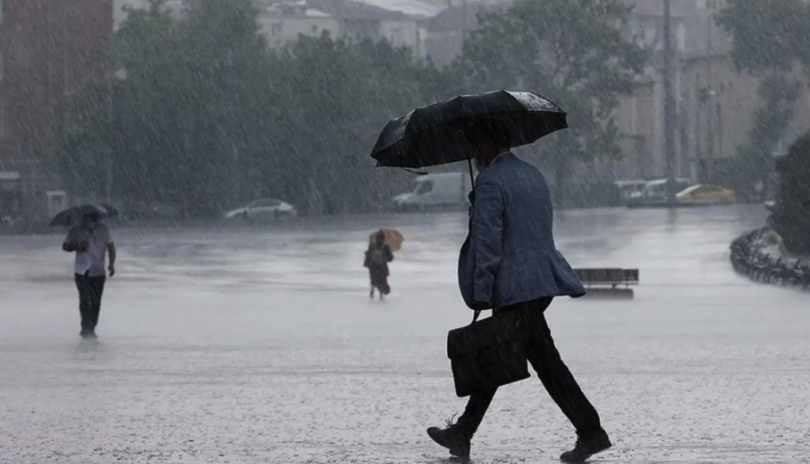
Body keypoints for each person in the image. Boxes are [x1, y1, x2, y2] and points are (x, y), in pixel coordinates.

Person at [426, 126, 610, 463]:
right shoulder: (533, 175)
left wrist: (482, 291)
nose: (472, 152)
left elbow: (488, 243)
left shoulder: (490, 182)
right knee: (497, 356)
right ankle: (463, 433)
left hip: (515, 289)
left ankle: (591, 431)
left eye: (474, 142)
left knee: (544, 364)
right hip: (539, 283)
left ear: (488, 141)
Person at [62, 212, 116, 339]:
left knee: (96, 301)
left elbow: (111, 247)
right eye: (85, 219)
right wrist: (77, 246)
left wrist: (111, 264)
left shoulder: (104, 230)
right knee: (85, 298)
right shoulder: (76, 231)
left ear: (95, 219)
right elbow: (65, 246)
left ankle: (91, 326)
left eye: (90, 219)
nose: (87, 222)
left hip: (98, 270)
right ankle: (85, 327)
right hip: (81, 270)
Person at [364, 229, 394, 300]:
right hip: (378, 267)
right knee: (378, 280)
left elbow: (390, 258)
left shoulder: (377, 246)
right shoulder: (380, 247)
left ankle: (376, 293)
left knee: (376, 280)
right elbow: (390, 258)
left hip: (378, 267)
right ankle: (377, 294)